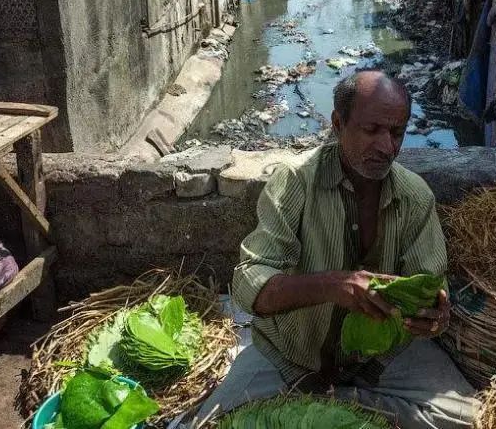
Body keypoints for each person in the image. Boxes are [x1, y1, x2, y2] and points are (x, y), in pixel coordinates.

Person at [194, 71, 478, 428]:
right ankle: (339, 403)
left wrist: (434, 316)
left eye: (397, 133)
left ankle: (331, 402)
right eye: (372, 130)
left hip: (381, 361)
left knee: (469, 420)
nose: (387, 146)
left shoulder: (415, 196)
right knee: (210, 423)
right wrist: (333, 286)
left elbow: (432, 286)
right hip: (292, 356)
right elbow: (250, 284)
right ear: (338, 124)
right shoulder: (295, 181)